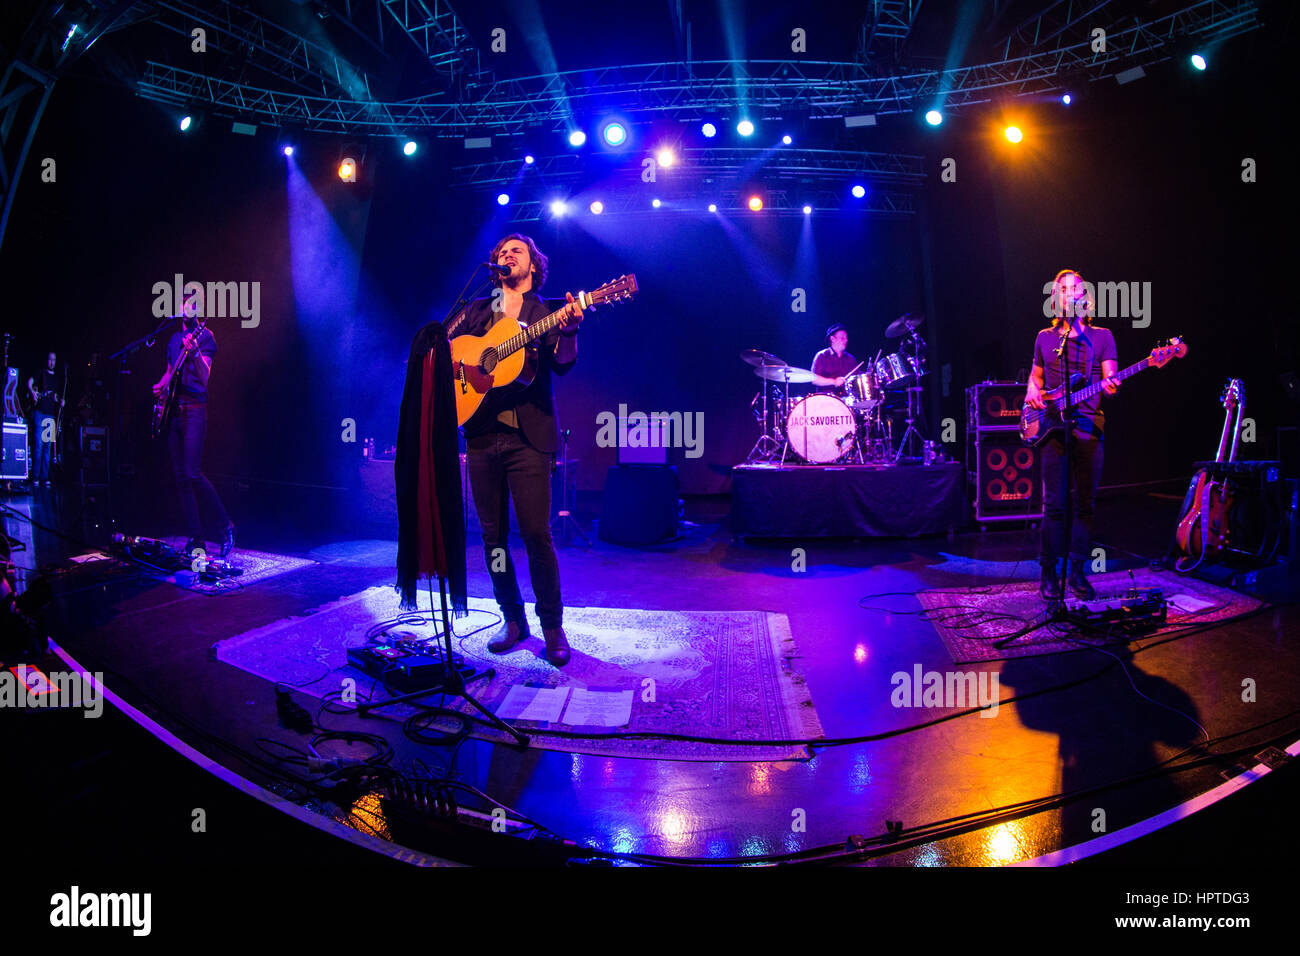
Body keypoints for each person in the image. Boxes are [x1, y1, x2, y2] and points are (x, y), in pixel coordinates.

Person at [455, 234, 583, 666]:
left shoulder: (544, 312)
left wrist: (570, 329)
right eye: (501, 252)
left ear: (533, 265)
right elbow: (452, 353)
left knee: (535, 533)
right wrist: (465, 371)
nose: (507, 255)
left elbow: (563, 363)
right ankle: (512, 618)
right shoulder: (477, 309)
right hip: (481, 435)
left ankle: (552, 626)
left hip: (528, 438)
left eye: (517, 251)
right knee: (492, 537)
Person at [1024, 269, 1120, 601]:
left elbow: (1110, 376)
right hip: (1053, 427)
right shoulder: (1045, 338)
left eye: (1075, 288)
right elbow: (1035, 377)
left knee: (1085, 505)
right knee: (1054, 505)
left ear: (1084, 296)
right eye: (1062, 289)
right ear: (1056, 298)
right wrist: (1031, 391)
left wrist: (1112, 384)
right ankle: (1048, 572)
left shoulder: (1102, 337)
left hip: (1089, 427)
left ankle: (1077, 571)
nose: (1069, 293)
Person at [151, 289, 235, 559]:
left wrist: (196, 352)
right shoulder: (174, 339)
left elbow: (205, 376)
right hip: (174, 411)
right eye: (184, 302)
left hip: (195, 409)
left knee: (192, 473)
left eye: (193, 304)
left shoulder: (206, 337)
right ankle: (195, 538)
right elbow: (169, 371)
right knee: (180, 478)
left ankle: (225, 525)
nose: (187, 307)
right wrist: (160, 385)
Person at [26, 352, 61, 486]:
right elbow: (29, 382)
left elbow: (55, 397)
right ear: (46, 360)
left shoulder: (56, 379)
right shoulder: (41, 372)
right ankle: (35, 476)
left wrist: (60, 401)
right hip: (39, 413)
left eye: (54, 360)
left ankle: (44, 477)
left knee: (47, 447)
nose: (52, 362)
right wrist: (32, 392)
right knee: (38, 445)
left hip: (50, 415)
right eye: (50, 359)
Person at [811, 324, 857, 392]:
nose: (846, 340)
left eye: (846, 338)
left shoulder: (851, 359)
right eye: (842, 338)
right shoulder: (821, 356)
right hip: (826, 397)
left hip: (847, 397)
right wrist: (834, 381)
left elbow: (856, 379)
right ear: (832, 339)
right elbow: (814, 380)